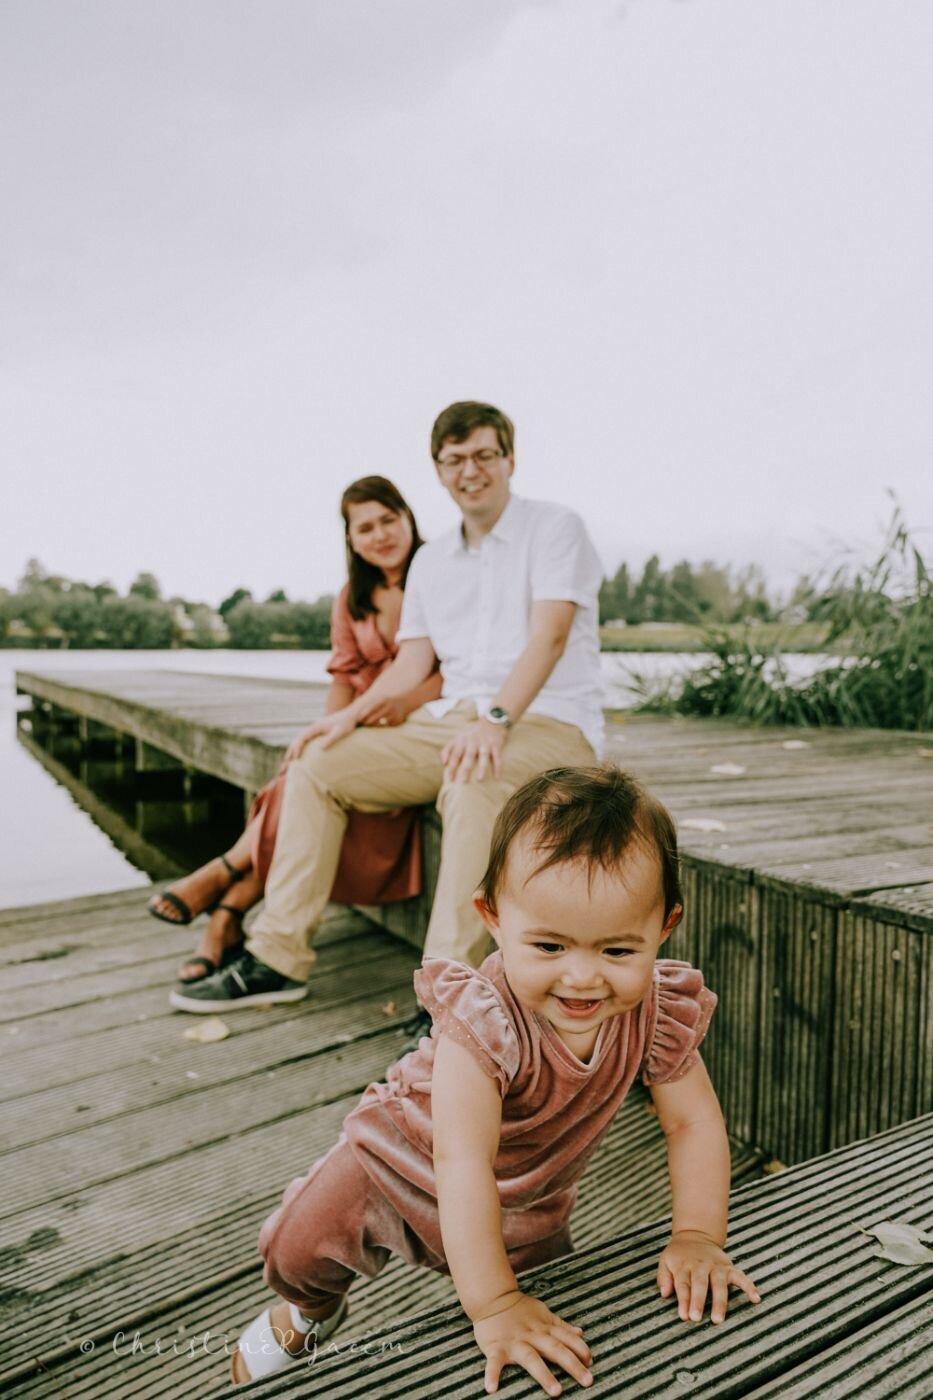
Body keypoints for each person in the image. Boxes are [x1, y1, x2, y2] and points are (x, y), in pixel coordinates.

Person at [229, 766, 762, 1390]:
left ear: (663, 927)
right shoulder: (484, 1020)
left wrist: (698, 1235)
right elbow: (461, 1160)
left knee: (557, 1308)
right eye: (549, 947)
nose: (583, 978)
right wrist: (495, 1306)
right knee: (296, 1256)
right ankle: (311, 1314)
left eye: (618, 951)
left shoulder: (655, 1012)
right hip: (396, 1159)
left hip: (526, 1202)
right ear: (494, 919)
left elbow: (691, 1121)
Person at [170, 401, 604, 1015]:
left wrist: (496, 721)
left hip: (549, 721)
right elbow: (410, 662)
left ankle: (449, 1000)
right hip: (455, 719)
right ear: (438, 470)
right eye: (454, 460)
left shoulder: (556, 528)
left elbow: (551, 636)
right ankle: (276, 957)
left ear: (509, 458)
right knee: (318, 764)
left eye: (483, 454)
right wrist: (346, 716)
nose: (470, 470)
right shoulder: (432, 561)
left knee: (471, 776)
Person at [149, 476, 442, 984]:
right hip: (363, 725)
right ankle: (225, 916)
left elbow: (463, 668)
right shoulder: (354, 595)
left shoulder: (441, 573)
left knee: (300, 786)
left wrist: (401, 703)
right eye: (365, 527)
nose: (380, 535)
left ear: (409, 518)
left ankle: (224, 891)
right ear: (350, 538)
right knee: (297, 773)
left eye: (389, 520)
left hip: (423, 729)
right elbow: (344, 678)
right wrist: (326, 730)